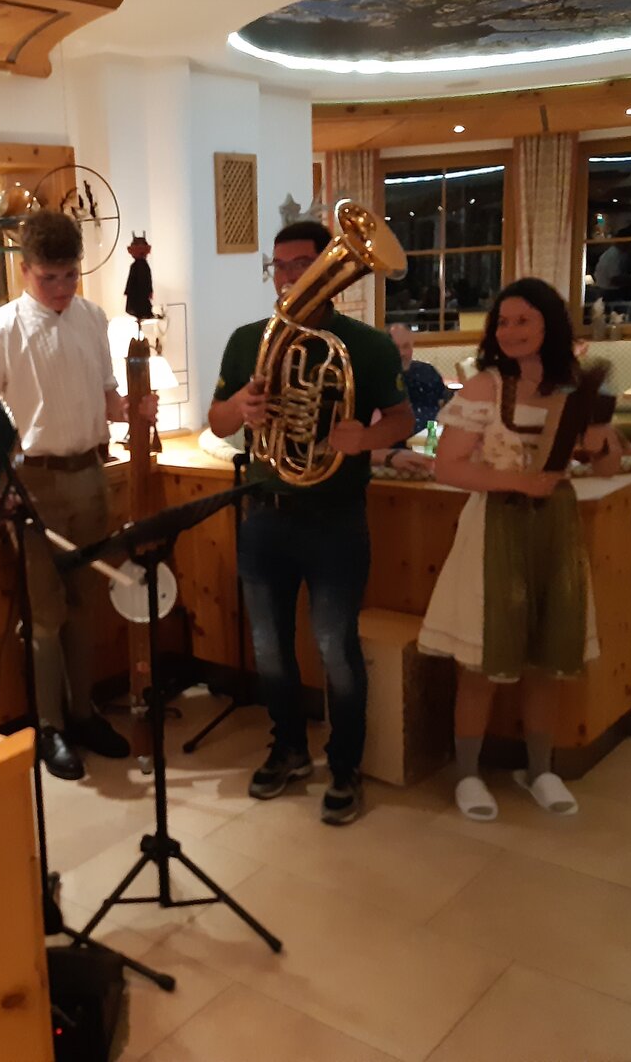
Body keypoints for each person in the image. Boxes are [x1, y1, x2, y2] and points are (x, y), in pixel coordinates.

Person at [208, 220, 414, 826]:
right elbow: (218, 422)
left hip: (335, 519)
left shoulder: (366, 345)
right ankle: (290, 750)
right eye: (281, 266)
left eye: (303, 264)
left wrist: (365, 438)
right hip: (264, 515)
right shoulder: (248, 340)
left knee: (335, 648)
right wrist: (239, 407)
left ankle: (345, 766)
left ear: (330, 269)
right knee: (270, 650)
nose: (290, 277)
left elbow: (403, 418)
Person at [417, 278, 621, 823]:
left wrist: (600, 442)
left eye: (522, 320)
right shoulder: (484, 387)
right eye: (502, 322)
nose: (509, 332)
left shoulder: (574, 386)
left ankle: (540, 768)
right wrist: (519, 482)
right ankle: (467, 774)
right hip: (494, 528)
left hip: (555, 529)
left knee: (546, 660)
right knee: (482, 662)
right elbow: (446, 467)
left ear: (549, 325)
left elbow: (607, 466)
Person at [0, 210, 155, 781]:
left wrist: (133, 409)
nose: (61, 288)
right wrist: (0, 490)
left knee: (85, 604)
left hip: (90, 472)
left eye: (70, 275)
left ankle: (83, 712)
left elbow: (107, 398)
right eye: (49, 277)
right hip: (35, 482)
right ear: (25, 270)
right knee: (45, 613)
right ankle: (48, 726)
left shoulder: (93, 319)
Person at [369, 324, 443, 475]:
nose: (402, 353)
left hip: (435, 444)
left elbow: (445, 406)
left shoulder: (427, 372)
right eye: (396, 347)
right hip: (402, 455)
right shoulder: (375, 381)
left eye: (406, 346)